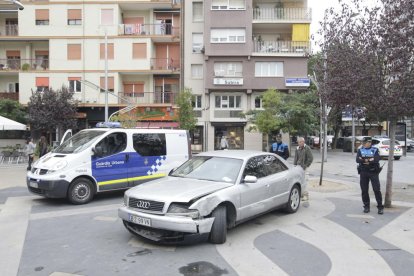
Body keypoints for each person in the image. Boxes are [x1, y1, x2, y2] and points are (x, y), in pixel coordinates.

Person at [356, 136, 384, 214]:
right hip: (363, 172)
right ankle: (366, 206)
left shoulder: (375, 149)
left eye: (364, 143)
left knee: (376, 190)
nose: (363, 144)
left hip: (373, 172)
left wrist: (364, 160)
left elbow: (376, 159)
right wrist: (369, 160)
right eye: (362, 143)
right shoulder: (360, 150)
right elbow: (357, 160)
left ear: (369, 142)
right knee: (364, 190)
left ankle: (380, 207)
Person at [293, 137, 313, 201]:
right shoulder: (297, 148)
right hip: (298, 167)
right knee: (299, 181)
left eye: (300, 142)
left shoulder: (307, 148)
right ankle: (301, 194)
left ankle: (306, 195)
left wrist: (305, 166)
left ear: (303, 142)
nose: (299, 143)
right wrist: (294, 166)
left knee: (305, 181)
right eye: (298, 142)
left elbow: (311, 158)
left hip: (304, 168)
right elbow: (295, 158)